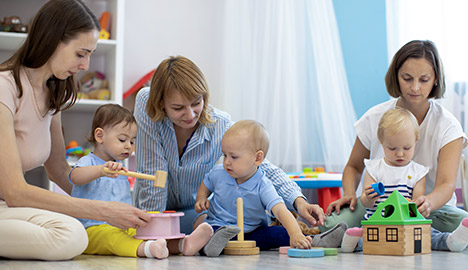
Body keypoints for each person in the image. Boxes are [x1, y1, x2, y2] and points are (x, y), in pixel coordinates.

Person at [0, 0, 151, 260]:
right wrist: (99, 211)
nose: (85, 65)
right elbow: (14, 190)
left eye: (90, 55)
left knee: (75, 231)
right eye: (81, 54)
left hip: (8, 207)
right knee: (71, 234)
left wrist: (109, 201)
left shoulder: (53, 93)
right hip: (11, 202)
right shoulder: (5, 87)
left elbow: (60, 171)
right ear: (52, 40)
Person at [132, 56, 325, 234]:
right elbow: (153, 172)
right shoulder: (146, 103)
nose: (190, 114)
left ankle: (290, 228)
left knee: (227, 226)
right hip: (154, 212)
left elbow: (262, 166)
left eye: (196, 103)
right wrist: (153, 226)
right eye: (178, 108)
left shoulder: (220, 124)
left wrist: (299, 201)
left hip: (196, 213)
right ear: (161, 103)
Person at [323, 40, 468, 233]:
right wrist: (350, 193)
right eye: (407, 78)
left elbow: (446, 184)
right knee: (331, 224)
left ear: (435, 79)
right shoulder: (375, 117)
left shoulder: (448, 126)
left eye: (424, 80)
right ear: (396, 76)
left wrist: (428, 202)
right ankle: (370, 232)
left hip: (426, 209)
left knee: (464, 223)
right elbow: (353, 166)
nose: (415, 88)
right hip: (378, 208)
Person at [69, 104, 213, 259]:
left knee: (148, 229)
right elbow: (75, 177)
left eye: (132, 141)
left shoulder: (121, 167)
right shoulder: (88, 161)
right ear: (99, 136)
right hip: (92, 229)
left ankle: (182, 244)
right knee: (113, 239)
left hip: (122, 225)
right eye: (122, 139)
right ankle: (147, 249)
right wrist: (100, 170)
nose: (128, 147)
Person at [195, 120, 346, 256]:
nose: (227, 162)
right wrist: (201, 198)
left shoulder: (263, 184)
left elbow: (280, 210)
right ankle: (210, 246)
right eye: (224, 155)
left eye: (233, 157)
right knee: (205, 231)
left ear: (257, 158)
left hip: (252, 232)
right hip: (218, 227)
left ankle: (311, 240)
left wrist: (294, 234)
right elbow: (206, 184)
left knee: (280, 233)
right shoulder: (218, 172)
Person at [340, 108, 468, 253]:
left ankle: (450, 241)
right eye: (392, 148)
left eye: (407, 148)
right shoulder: (374, 168)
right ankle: (352, 244)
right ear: (381, 142)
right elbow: (366, 202)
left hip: (407, 222)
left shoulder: (418, 172)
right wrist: (368, 197)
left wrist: (414, 204)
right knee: (369, 234)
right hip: (379, 220)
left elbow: (417, 201)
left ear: (415, 140)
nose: (400, 154)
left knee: (427, 234)